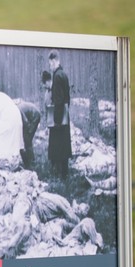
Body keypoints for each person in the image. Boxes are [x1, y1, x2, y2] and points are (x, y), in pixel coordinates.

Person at [47, 50, 73, 179]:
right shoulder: (64, 74)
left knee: (57, 147)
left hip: (59, 116)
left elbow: (58, 100)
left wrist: (56, 121)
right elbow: (67, 98)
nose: (50, 66)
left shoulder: (57, 76)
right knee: (64, 146)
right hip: (65, 114)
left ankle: (59, 176)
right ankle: (65, 174)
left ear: (53, 61)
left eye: (50, 63)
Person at [18, 100, 42, 168]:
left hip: (34, 115)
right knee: (25, 140)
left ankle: (31, 162)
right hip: (31, 115)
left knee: (27, 140)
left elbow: (25, 122)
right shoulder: (15, 110)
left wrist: (24, 135)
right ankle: (28, 161)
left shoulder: (17, 112)